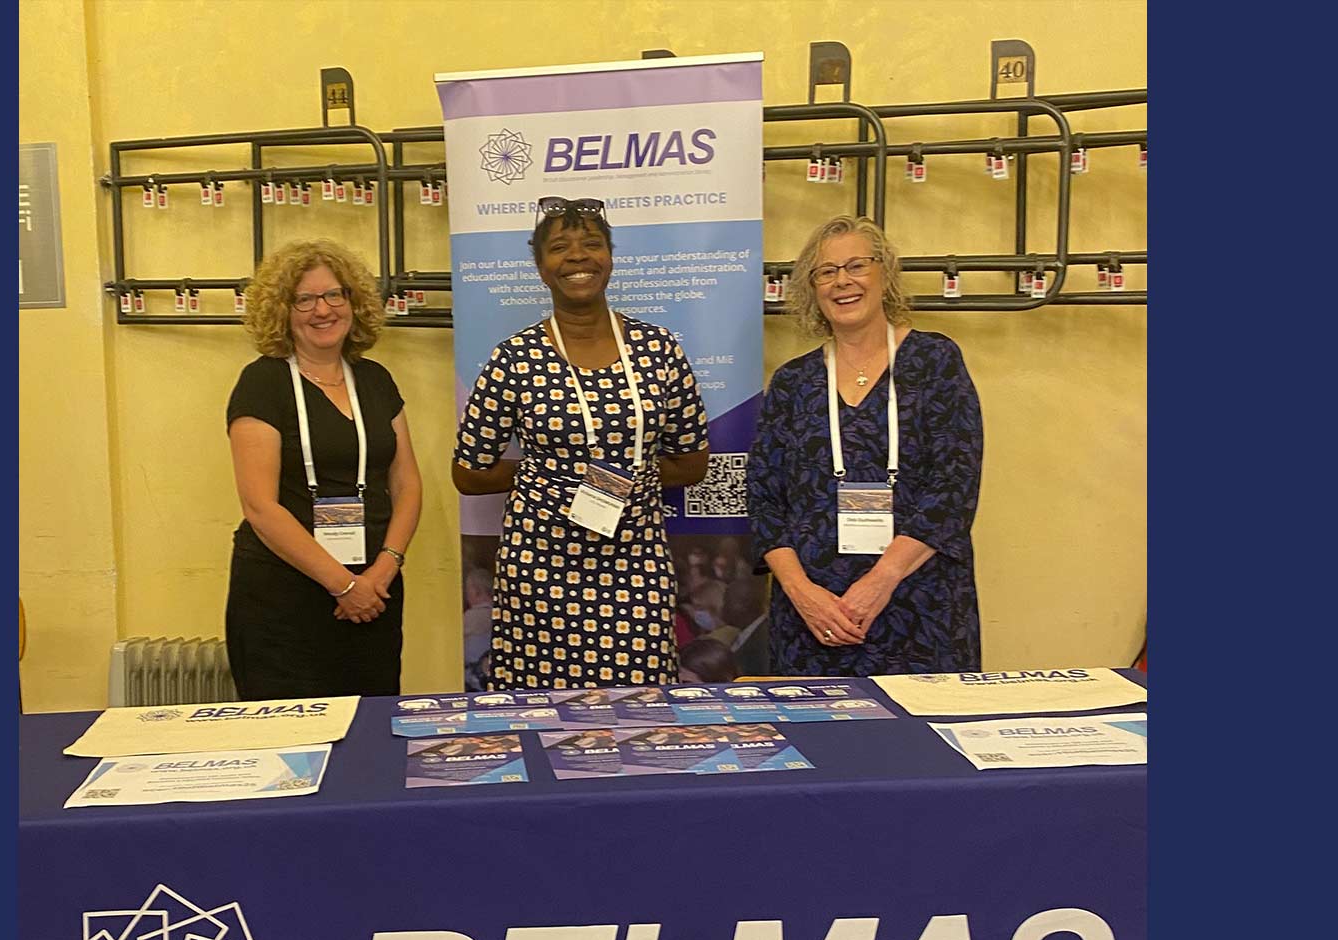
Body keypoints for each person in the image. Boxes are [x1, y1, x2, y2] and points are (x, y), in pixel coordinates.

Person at [452, 196, 709, 689]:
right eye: (560, 247)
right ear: (540, 267)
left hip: (635, 566)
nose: (577, 256)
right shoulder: (515, 358)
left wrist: (621, 479)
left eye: (592, 243)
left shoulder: (658, 349)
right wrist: (552, 476)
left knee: (641, 708)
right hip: (539, 569)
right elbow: (468, 472)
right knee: (538, 711)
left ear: (610, 257)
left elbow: (691, 462)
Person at [746, 214, 982, 675]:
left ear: (885, 273)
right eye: (826, 272)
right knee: (818, 744)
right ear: (811, 289)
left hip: (919, 607)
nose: (842, 282)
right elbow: (764, 499)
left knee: (921, 744)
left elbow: (953, 489)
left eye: (857, 265)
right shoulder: (794, 382)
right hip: (814, 619)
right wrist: (800, 593)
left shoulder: (935, 362)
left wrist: (881, 580)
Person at [223, 238, 421, 698]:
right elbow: (259, 506)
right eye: (305, 299)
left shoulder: (375, 379)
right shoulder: (263, 383)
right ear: (282, 311)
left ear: (353, 302)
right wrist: (344, 585)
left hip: (376, 591)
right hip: (284, 595)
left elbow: (407, 482)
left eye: (334, 295)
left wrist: (382, 570)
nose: (322, 310)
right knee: (292, 742)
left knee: (370, 732)